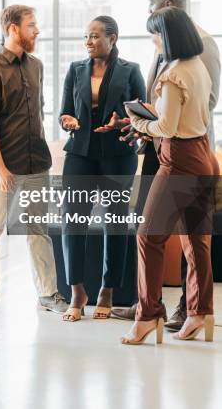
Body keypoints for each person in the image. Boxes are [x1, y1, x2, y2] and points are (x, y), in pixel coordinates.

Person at [113, 0, 221, 331]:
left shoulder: (181, 67)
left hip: (178, 153)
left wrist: (144, 124)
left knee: (147, 235)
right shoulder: (191, 64)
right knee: (195, 241)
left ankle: (149, 314)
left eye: (153, 27)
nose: (152, 35)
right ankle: (199, 312)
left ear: (168, 12)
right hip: (199, 151)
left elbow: (172, 123)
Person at [0, 5, 68, 318]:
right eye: (32, 25)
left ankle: (48, 293)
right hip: (4, 166)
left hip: (37, 163)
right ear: (13, 28)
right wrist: (0, 168)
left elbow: (38, 114)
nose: (37, 30)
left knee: (38, 230)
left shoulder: (37, 66)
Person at [59, 16, 146, 322]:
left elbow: (143, 116)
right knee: (73, 222)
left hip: (118, 155)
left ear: (113, 38)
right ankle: (77, 290)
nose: (89, 41)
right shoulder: (75, 69)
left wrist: (121, 121)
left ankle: (107, 290)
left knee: (116, 222)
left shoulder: (131, 70)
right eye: (86, 36)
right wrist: (67, 120)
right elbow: (64, 112)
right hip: (80, 154)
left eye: (95, 36)